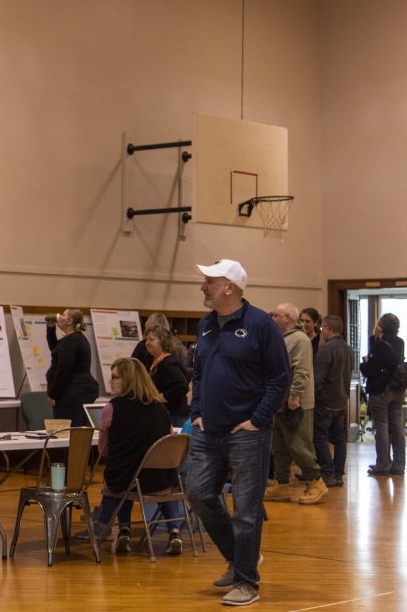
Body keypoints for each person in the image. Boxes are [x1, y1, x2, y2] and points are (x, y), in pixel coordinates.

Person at [186, 259, 289, 607]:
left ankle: (246, 582)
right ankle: (239, 557)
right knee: (199, 493)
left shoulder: (261, 325)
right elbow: (198, 374)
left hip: (248, 433)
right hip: (208, 430)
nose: (203, 286)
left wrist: (258, 419)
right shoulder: (206, 325)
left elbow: (280, 378)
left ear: (229, 287)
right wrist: (197, 413)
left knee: (246, 509)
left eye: (209, 281)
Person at [94, 358, 183, 556]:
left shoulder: (112, 408)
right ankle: (175, 532)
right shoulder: (161, 409)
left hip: (125, 480)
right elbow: (169, 443)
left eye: (115, 377)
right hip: (159, 481)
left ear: (128, 379)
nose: (111, 381)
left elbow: (104, 451)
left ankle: (119, 529)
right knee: (161, 477)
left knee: (120, 475)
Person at [264, 303, 327, 505]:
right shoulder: (282, 338)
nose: (272, 318)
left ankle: (316, 483)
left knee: (299, 445)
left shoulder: (299, 340)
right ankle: (282, 484)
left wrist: (294, 396)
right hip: (278, 403)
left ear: (287, 319)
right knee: (280, 447)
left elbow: (301, 370)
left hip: (295, 403)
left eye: (276, 315)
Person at [361, 313, 405, 476]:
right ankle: (399, 464)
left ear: (382, 326)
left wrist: (363, 365)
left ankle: (383, 464)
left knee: (382, 426)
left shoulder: (379, 344)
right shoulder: (400, 342)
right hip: (397, 388)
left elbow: (372, 369)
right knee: (397, 425)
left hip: (381, 389)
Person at [312, 315, 352, 487]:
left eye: (322, 328)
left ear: (327, 328)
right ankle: (338, 473)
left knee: (319, 437)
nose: (321, 331)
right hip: (341, 401)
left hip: (326, 401)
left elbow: (317, 378)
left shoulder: (327, 349)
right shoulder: (348, 348)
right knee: (339, 438)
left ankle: (327, 473)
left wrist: (314, 397)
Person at [45, 309, 99, 427]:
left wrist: (53, 394)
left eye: (63, 315)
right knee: (77, 429)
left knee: (67, 431)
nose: (59, 316)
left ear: (69, 321)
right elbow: (55, 348)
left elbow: (64, 368)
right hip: (79, 392)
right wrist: (50, 328)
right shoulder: (75, 339)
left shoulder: (71, 341)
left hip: (72, 395)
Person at [144, 326, 190, 426]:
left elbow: (181, 387)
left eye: (151, 339)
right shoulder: (155, 361)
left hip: (175, 417)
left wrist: (159, 397)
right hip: (166, 414)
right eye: (146, 340)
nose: (147, 343)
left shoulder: (168, 363)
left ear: (163, 341)